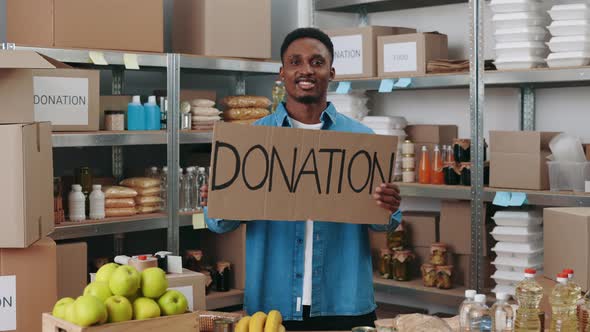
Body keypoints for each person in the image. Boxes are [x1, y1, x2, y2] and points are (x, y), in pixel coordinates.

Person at [201, 27, 402, 330]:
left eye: (316, 62)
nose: (306, 70)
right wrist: (217, 199)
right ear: (281, 73)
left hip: (345, 304)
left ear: (331, 72)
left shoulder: (363, 140)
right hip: (273, 308)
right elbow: (220, 224)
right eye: (295, 62)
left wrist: (389, 205)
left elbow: (383, 223)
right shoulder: (251, 140)